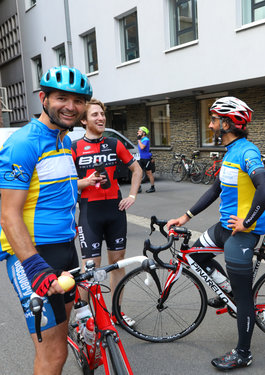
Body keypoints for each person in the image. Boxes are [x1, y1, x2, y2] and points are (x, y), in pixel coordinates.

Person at [167, 96, 265, 371]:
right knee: (195, 256)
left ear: (227, 123)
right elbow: (214, 190)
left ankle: (243, 353)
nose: (211, 124)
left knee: (244, 297)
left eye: (214, 119)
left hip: (242, 233)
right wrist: (185, 216)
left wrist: (248, 223)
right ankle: (229, 291)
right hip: (224, 228)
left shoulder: (247, 152)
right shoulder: (231, 151)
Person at [0, 66, 92, 374]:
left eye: (78, 101)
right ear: (44, 98)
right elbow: (8, 212)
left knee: (60, 343)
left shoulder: (64, 141)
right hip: (34, 255)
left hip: (65, 249)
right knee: (52, 354)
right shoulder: (23, 143)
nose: (70, 106)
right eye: (61, 98)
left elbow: (57, 190)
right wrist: (34, 265)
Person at [71, 98, 142, 325]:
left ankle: (117, 313)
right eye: (95, 115)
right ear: (83, 120)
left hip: (115, 210)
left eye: (102, 114)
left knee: (117, 262)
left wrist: (132, 195)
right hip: (90, 211)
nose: (100, 118)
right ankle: (84, 318)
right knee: (90, 267)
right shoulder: (74, 148)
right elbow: (67, 184)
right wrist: (87, 181)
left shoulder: (113, 144)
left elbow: (137, 169)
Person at [137, 126, 156, 193]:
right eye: (138, 131)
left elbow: (142, 147)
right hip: (141, 158)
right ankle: (139, 187)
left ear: (144, 133)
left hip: (146, 159)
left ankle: (152, 187)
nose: (138, 132)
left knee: (149, 173)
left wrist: (139, 140)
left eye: (139, 131)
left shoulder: (146, 139)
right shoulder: (141, 139)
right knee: (139, 173)